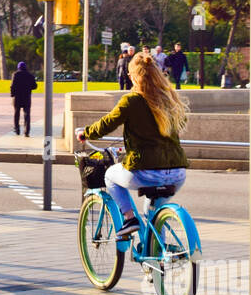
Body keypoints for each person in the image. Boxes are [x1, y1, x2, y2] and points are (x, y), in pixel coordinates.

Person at [75, 52, 190, 239]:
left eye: (129, 75)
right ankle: (156, 254)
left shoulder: (131, 101)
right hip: (177, 173)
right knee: (153, 213)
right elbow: (181, 124)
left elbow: (106, 124)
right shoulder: (169, 98)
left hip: (147, 171)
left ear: (134, 77)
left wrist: (85, 133)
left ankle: (129, 219)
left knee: (110, 176)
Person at [9, 61, 37, 136]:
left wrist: (12, 94)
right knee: (27, 114)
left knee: (16, 113)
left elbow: (12, 86)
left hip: (17, 98)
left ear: (18, 67)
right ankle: (26, 131)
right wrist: (28, 87)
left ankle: (17, 129)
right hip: (27, 97)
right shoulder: (30, 75)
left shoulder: (15, 74)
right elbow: (35, 86)